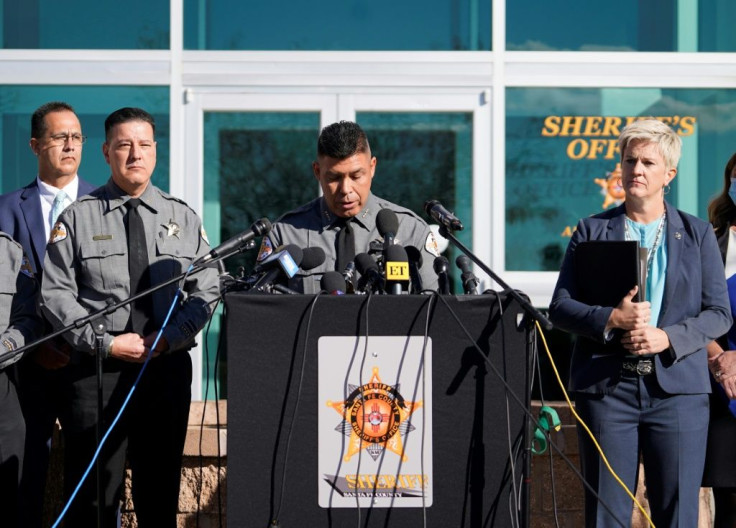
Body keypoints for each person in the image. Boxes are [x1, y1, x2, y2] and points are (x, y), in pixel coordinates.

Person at [41, 107, 220, 526]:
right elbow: (55, 295)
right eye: (124, 145)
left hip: (165, 369)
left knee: (159, 496)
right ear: (105, 152)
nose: (134, 154)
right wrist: (104, 342)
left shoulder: (183, 217)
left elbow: (207, 288)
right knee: (94, 502)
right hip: (97, 373)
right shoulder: (77, 218)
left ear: (156, 152)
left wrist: (173, 336)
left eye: (143, 145)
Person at [548, 118, 731, 527]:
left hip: (678, 394)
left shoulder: (698, 235)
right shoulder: (591, 230)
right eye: (630, 160)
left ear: (669, 174)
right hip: (608, 393)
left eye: (649, 161)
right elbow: (559, 307)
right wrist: (611, 318)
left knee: (679, 514)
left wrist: (666, 336)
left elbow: (718, 315)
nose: (637, 170)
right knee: (606, 514)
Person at [0, 101, 97, 527]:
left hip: (88, 367)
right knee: (23, 482)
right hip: (25, 371)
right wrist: (32, 347)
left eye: (77, 137)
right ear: (36, 144)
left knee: (89, 484)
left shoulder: (103, 203)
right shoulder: (5, 208)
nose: (70, 145)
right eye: (60, 137)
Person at [258, 120, 441, 294]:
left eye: (356, 176)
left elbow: (433, 313)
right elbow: (261, 311)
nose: (346, 189)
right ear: (317, 172)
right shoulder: (285, 234)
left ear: (372, 168)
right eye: (334, 178)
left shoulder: (411, 232)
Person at [0, 235, 43, 528]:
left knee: (9, 500)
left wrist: (4, 347)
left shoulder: (9, 251)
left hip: (1, 389)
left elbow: (28, 320)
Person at [703, 151, 736, 528]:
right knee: (728, 499)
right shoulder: (710, 241)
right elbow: (690, 307)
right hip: (723, 390)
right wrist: (720, 359)